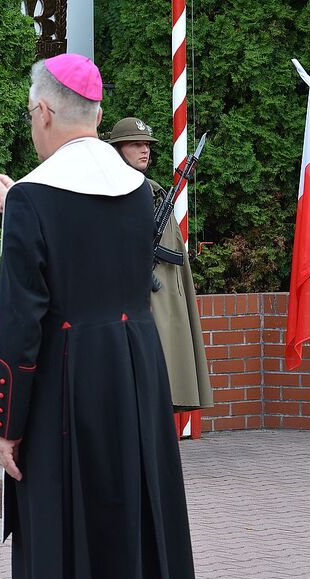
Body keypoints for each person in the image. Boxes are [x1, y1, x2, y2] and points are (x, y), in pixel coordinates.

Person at [0, 56, 196, 579]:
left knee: (64, 529)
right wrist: (21, 206)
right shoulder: (138, 189)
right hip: (136, 374)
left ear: (44, 111)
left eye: (31, 114)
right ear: (98, 116)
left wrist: (6, 424)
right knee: (138, 514)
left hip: (67, 382)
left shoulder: (32, 197)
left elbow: (21, 323)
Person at [106, 117, 213, 411]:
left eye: (147, 145)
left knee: (163, 376)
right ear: (117, 150)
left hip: (160, 294)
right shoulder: (113, 191)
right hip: (130, 299)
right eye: (135, 144)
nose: (145, 150)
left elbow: (171, 251)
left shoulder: (152, 191)